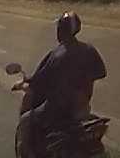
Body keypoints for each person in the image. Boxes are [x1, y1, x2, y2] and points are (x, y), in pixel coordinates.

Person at [15, 12, 107, 157]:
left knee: (26, 120)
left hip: (57, 108)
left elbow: (40, 79)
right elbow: (101, 72)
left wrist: (24, 82)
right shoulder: (90, 50)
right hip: (82, 106)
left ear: (61, 30)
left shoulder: (57, 54)